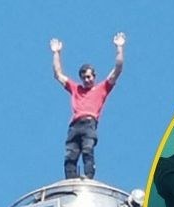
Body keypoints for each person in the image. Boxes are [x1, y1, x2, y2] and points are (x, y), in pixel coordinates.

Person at [50, 32, 126, 179]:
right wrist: (56, 53)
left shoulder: (102, 88)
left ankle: (88, 176)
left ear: (94, 76)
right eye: (84, 77)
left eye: (89, 76)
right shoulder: (75, 88)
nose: (87, 79)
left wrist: (119, 47)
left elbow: (118, 69)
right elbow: (58, 74)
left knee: (87, 150)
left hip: (89, 123)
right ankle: (70, 182)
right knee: (70, 156)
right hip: (75, 125)